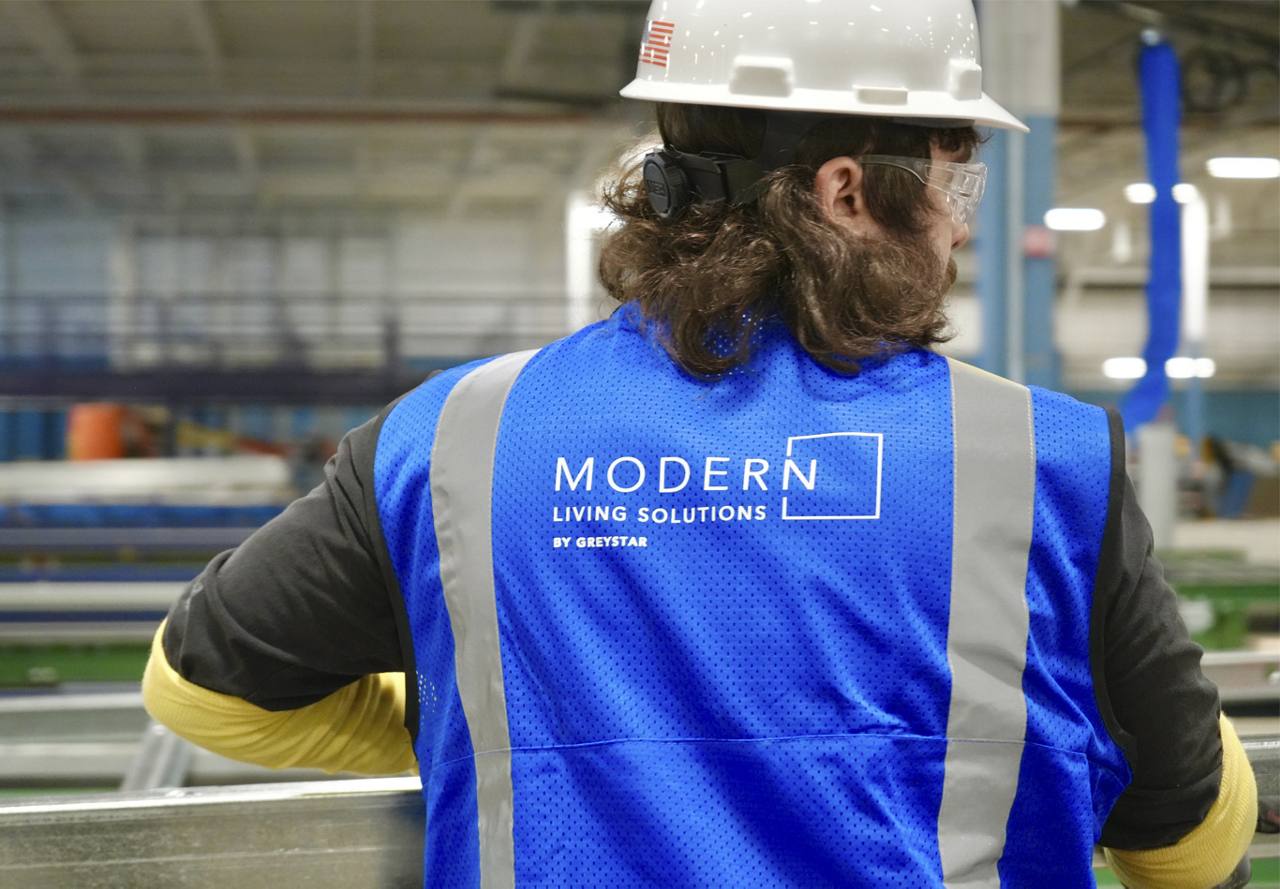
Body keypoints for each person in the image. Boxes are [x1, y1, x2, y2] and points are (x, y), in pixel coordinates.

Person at [142, 0, 1258, 885]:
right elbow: (1191, 846)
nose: (963, 219)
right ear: (847, 192)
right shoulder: (1036, 459)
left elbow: (204, 693)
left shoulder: (453, 438)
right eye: (954, 174)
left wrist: (505, 722)